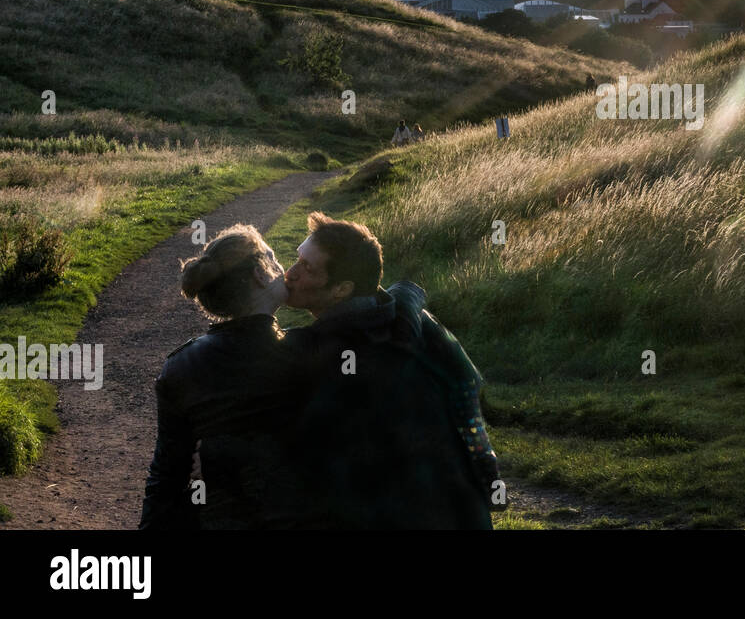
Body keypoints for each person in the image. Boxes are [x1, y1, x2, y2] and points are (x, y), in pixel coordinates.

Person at [281, 211, 498, 529]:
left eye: (306, 267)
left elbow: (466, 386)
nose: (290, 273)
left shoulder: (319, 350)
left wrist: (484, 462)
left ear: (342, 289)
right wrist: (485, 463)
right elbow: (466, 383)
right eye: (297, 259)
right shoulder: (413, 319)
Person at [140, 225, 306, 529]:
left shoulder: (180, 366)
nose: (285, 268)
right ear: (260, 273)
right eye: (274, 257)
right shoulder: (305, 353)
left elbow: (166, 474)